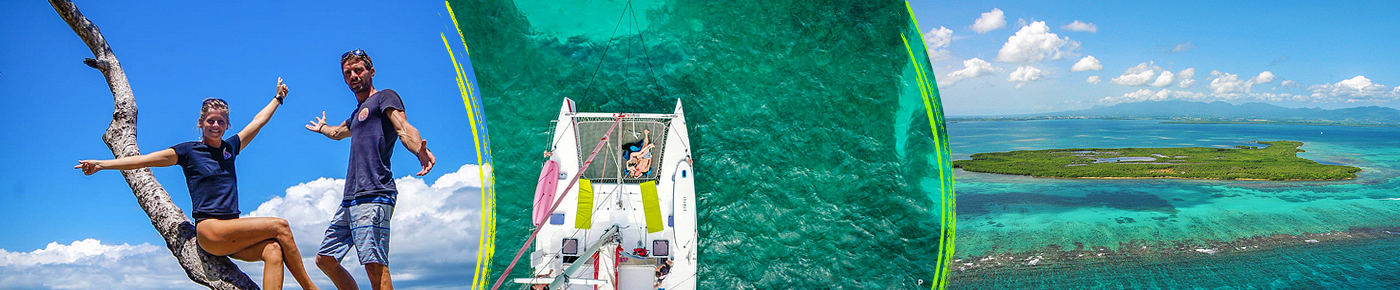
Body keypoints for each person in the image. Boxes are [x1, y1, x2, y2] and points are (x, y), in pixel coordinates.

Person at [75, 79, 319, 290]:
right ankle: (310, 287)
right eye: (211, 121)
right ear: (201, 123)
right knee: (281, 226)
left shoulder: (230, 148)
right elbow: (143, 160)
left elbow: (258, 122)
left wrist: (278, 98)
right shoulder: (188, 152)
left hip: (232, 233)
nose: (215, 125)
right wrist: (101, 164)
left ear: (227, 124)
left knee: (273, 250)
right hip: (210, 230)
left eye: (221, 122)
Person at [305, 49, 435, 290]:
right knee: (325, 259)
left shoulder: (385, 97)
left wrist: (419, 150)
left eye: (358, 70)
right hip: (351, 199)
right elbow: (337, 133)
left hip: (375, 193)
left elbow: (403, 127)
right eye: (348, 73)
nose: (353, 75)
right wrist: (323, 128)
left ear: (371, 72)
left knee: (375, 265)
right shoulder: (357, 114)